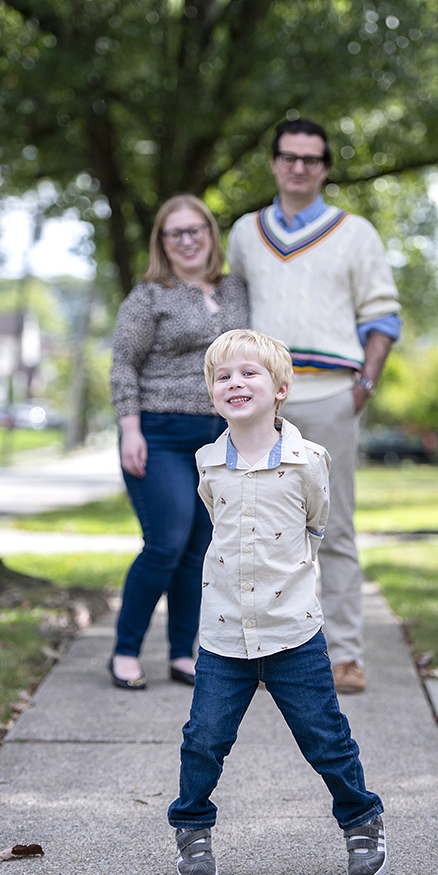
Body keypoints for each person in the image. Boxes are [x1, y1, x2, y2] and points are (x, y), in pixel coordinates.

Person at [167, 329, 387, 875]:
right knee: (204, 739)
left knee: (325, 736)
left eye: (249, 373)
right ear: (212, 393)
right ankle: (191, 825)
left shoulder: (309, 460)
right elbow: (219, 522)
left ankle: (362, 820)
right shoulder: (207, 462)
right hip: (222, 634)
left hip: (294, 632)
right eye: (223, 376)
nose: (235, 383)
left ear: (281, 388)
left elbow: (316, 524)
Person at [227, 118, 402, 694]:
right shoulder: (246, 233)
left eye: (311, 158)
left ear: (324, 168)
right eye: (288, 156)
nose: (298, 166)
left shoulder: (356, 233)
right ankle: (261, 656)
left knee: (335, 527)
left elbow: (382, 317)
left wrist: (364, 387)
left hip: (331, 395)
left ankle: (346, 656)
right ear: (274, 163)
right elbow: (233, 314)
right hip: (260, 403)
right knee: (257, 529)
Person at [109, 195, 248, 690]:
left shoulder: (235, 289)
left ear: (210, 235)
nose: (187, 240)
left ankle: (180, 653)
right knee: (165, 544)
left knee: (198, 550)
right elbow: (123, 362)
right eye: (176, 233)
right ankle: (125, 650)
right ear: (162, 243)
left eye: (196, 230)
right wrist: (130, 429)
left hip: (219, 439)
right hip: (160, 433)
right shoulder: (149, 296)